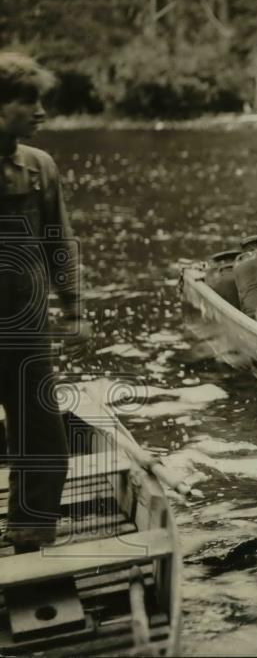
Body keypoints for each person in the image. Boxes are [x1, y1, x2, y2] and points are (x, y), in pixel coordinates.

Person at [0, 52, 89, 553]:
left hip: (26, 327)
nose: (40, 112)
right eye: (26, 100)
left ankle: (29, 536)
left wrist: (75, 309)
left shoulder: (40, 168)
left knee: (43, 440)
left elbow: (60, 242)